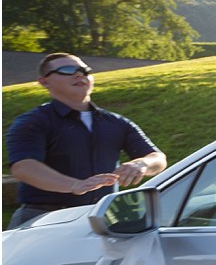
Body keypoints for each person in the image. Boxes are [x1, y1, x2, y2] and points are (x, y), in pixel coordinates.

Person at [7, 52, 167, 227]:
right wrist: (74, 185)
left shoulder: (116, 122)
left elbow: (157, 158)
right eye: (67, 70)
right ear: (44, 82)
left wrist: (141, 164)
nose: (79, 74)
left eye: (85, 70)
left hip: (100, 219)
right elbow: (24, 167)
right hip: (42, 220)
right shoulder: (33, 121)